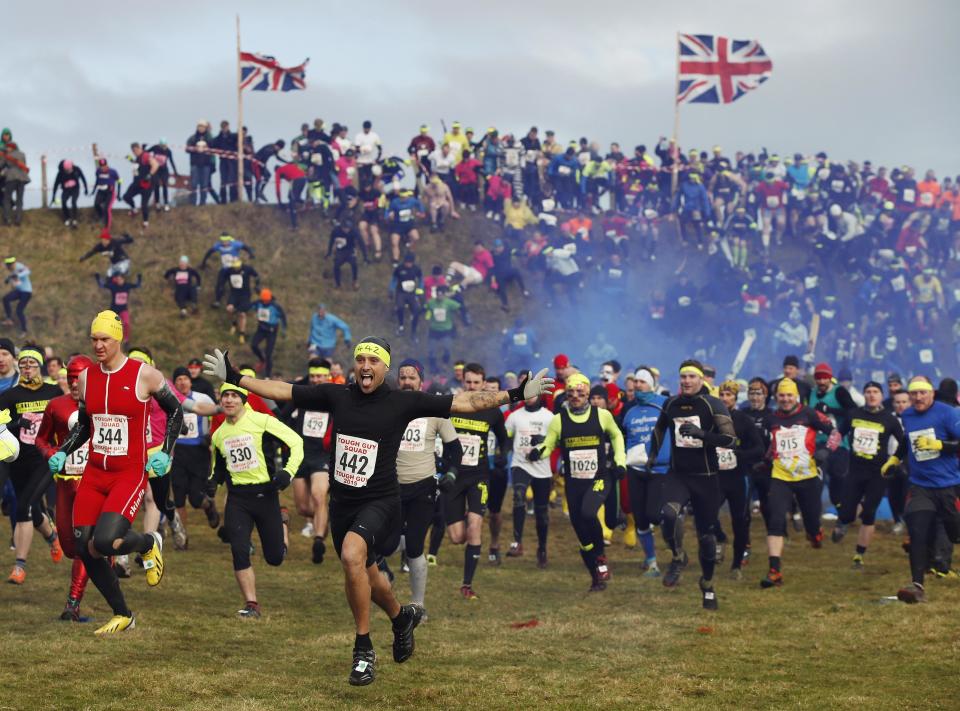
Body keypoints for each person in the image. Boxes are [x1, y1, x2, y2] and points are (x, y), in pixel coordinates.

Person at [202, 338, 553, 685]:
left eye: (374, 360)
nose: (366, 365)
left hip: (381, 501)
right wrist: (235, 377)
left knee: (352, 557)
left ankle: (363, 650)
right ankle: (401, 620)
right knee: (370, 577)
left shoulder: (403, 401)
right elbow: (282, 389)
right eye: (361, 359)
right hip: (343, 503)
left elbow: (463, 402)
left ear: (385, 368)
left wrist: (515, 394)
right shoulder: (337, 395)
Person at [48, 311, 183, 634]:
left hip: (128, 473)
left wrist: (165, 452)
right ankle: (123, 613)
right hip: (94, 473)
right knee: (84, 547)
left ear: (118, 339)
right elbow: (84, 425)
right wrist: (63, 450)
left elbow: (175, 410)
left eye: (104, 339)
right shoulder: (86, 378)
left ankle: (149, 541)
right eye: (94, 339)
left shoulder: (145, 375)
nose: (98, 345)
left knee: (106, 541)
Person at [646, 360, 737, 610]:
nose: (686, 381)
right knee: (668, 514)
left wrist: (702, 435)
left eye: (691, 377)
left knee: (706, 538)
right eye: (683, 377)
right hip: (679, 475)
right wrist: (652, 455)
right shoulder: (672, 403)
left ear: (701, 380)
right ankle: (678, 557)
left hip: (706, 478)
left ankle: (707, 584)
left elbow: (730, 440)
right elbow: (659, 429)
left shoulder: (712, 404)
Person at [211, 382, 302, 617]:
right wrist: (212, 482)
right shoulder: (219, 434)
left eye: (234, 395)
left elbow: (296, 443)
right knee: (239, 549)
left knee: (275, 558)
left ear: (244, 399)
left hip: (266, 495)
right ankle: (251, 604)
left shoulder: (262, 421)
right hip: (238, 498)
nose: (229, 400)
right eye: (225, 396)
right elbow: (218, 468)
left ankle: (282, 523)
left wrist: (287, 472)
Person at [529, 373, 626, 591]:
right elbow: (549, 444)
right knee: (582, 537)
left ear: (588, 394)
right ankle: (596, 578)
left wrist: (620, 462)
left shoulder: (602, 416)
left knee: (589, 513)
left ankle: (601, 557)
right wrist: (538, 452)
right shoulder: (559, 419)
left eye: (580, 392)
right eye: (571, 392)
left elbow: (617, 436)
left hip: (599, 479)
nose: (575, 396)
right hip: (574, 483)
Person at [395, 359, 461, 613]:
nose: (407, 382)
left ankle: (418, 604)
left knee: (414, 545)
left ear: (420, 381)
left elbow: (455, 448)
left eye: (412, 377)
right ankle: (385, 577)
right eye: (403, 377)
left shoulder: (434, 410)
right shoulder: (391, 406)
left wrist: (452, 474)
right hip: (392, 486)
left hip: (423, 486)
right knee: (387, 543)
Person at [759, 378, 838, 588]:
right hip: (781, 477)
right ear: (776, 398)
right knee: (775, 520)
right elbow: (772, 445)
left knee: (811, 523)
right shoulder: (771, 419)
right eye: (781, 396)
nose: (785, 399)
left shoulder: (809, 414)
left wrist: (826, 451)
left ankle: (815, 533)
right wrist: (765, 461)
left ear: (796, 396)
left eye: (789, 395)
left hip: (807, 477)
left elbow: (835, 433)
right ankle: (774, 570)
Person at [35, 355, 95, 620]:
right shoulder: (56, 405)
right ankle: (106, 554)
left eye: (78, 377)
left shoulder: (101, 405)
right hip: (65, 483)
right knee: (69, 547)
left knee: (83, 545)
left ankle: (73, 602)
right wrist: (51, 455)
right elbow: (41, 439)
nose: (73, 383)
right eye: (70, 377)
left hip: (92, 484)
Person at [0, 346, 65, 584]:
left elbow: (65, 419)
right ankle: (52, 536)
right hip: (18, 460)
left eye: (32, 364)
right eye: (24, 364)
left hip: (44, 459)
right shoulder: (9, 396)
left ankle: (19, 567)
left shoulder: (53, 391)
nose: (28, 368)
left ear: (41, 366)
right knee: (31, 510)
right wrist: (17, 423)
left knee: (24, 507)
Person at [444, 363, 507, 597]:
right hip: (454, 477)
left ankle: (466, 585)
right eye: (468, 382)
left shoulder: (491, 409)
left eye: (476, 383)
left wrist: (502, 456)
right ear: (463, 382)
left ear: (483, 384)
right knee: (457, 537)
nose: (471, 386)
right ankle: (461, 514)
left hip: (479, 476)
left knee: (475, 526)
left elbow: (503, 438)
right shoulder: (452, 405)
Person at [896, 377, 960, 603]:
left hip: (948, 487)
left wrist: (940, 445)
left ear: (931, 393)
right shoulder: (908, 415)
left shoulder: (949, 413)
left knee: (955, 533)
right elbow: (907, 439)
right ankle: (917, 586)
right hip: (920, 485)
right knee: (917, 532)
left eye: (922, 393)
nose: (918, 398)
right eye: (914, 394)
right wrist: (895, 459)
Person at [831, 381, 905, 569]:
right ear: (864, 395)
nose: (872, 395)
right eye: (868, 391)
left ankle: (859, 556)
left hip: (878, 473)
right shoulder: (853, 414)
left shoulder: (889, 419)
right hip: (855, 471)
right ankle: (844, 521)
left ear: (881, 396)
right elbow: (838, 433)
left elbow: (903, 443)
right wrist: (828, 450)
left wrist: (896, 461)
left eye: (875, 392)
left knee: (869, 511)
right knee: (847, 512)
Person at [279, 358, 333, 557]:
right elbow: (282, 418)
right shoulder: (301, 396)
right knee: (302, 508)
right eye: (314, 376)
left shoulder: (334, 398)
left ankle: (318, 541)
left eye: (320, 376)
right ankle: (324, 518)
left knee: (319, 495)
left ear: (327, 376)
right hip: (300, 455)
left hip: (323, 456)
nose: (317, 380)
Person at [622, 367, 670, 576]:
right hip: (635, 469)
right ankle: (652, 563)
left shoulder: (664, 404)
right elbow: (622, 436)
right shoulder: (629, 411)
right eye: (636, 382)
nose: (638, 385)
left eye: (642, 382)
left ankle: (674, 542)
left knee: (654, 515)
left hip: (660, 469)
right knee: (640, 518)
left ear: (651, 384)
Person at [715, 381, 765, 578]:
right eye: (722, 394)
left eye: (729, 395)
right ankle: (720, 538)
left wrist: (739, 454)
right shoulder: (711, 419)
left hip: (738, 478)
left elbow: (759, 449)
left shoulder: (743, 420)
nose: (725, 398)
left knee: (740, 521)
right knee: (707, 514)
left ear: (735, 398)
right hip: (716, 477)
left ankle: (736, 565)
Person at [169, 367, 218, 550]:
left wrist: (211, 435)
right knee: (179, 497)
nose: (182, 382)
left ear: (191, 381)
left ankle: (208, 505)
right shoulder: (169, 399)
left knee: (196, 498)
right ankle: (182, 537)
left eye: (185, 379)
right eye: (178, 379)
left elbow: (217, 415)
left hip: (199, 452)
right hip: (178, 453)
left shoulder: (202, 399)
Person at [504, 389, 553, 566]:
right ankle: (517, 542)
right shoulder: (514, 416)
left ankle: (542, 548)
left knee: (541, 512)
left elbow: (555, 440)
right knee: (518, 496)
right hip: (520, 463)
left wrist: (542, 440)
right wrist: (502, 453)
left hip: (542, 468)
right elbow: (507, 438)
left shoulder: (549, 417)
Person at [200, 232, 255, 308]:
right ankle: (217, 301)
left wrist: (251, 253)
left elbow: (245, 247)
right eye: (222, 241)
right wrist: (203, 262)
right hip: (225, 269)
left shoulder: (235, 244)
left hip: (235, 269)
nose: (224, 243)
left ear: (229, 240)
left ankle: (242, 302)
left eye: (226, 241)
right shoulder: (218, 245)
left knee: (237, 285)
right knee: (220, 283)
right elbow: (209, 252)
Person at [248, 289, 286, 377]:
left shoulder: (275, 306)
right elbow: (248, 306)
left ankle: (267, 375)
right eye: (263, 300)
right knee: (253, 345)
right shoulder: (258, 303)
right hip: (261, 328)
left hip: (271, 331)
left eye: (266, 301)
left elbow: (283, 317)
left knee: (268, 353)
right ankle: (262, 359)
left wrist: (284, 330)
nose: (264, 302)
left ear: (270, 299)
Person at [94, 273, 141, 342]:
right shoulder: (113, 286)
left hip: (123, 309)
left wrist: (139, 278)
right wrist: (98, 278)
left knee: (126, 324)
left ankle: (126, 340)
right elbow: (102, 285)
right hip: (114, 309)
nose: (119, 281)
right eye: (117, 279)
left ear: (123, 279)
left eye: (120, 279)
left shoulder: (127, 286)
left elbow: (137, 286)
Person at [327, 216, 369, 290]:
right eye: (345, 228)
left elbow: (361, 243)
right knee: (336, 265)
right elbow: (331, 241)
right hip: (340, 250)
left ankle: (355, 280)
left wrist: (365, 257)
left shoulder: (354, 231)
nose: (346, 230)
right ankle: (338, 284)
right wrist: (329, 252)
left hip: (350, 250)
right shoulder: (336, 230)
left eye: (348, 228)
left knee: (354, 264)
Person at [122, 143, 158, 228]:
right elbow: (136, 167)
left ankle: (146, 222)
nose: (135, 152)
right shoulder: (137, 158)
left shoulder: (145, 155)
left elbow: (155, 165)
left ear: (139, 148)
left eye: (136, 150)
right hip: (137, 183)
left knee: (144, 204)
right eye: (133, 151)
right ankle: (134, 209)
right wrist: (130, 159)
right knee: (126, 196)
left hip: (147, 184)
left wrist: (150, 175)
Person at [224, 257, 260, 344]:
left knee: (242, 314)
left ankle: (242, 334)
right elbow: (223, 278)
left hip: (245, 295)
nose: (236, 268)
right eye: (234, 266)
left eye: (237, 266)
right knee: (229, 309)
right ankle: (234, 324)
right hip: (234, 294)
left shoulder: (247, 268)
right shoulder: (229, 270)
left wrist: (257, 286)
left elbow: (256, 275)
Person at [386, 190, 425, 266]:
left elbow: (419, 204)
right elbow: (388, 211)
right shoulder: (394, 202)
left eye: (405, 197)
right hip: (397, 225)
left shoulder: (412, 200)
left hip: (409, 224)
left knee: (416, 237)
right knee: (394, 242)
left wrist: (421, 212)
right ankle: (395, 260)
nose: (404, 199)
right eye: (402, 197)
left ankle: (410, 250)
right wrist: (389, 216)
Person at [392, 253, 423, 339]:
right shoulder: (399, 269)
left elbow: (421, 279)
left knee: (417, 310)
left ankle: (413, 331)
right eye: (406, 262)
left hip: (411, 293)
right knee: (400, 307)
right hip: (401, 292)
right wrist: (391, 289)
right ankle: (401, 325)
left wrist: (420, 289)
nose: (408, 264)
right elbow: (394, 279)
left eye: (410, 263)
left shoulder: (416, 269)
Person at [51, 159, 88, 228]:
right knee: (63, 201)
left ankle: (75, 219)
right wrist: (53, 196)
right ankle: (67, 218)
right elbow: (55, 185)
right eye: (66, 171)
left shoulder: (77, 169)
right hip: (66, 190)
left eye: (69, 170)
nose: (68, 172)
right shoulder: (60, 173)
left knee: (74, 201)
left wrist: (86, 188)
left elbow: (83, 178)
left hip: (75, 189)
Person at [1, 138, 30, 226]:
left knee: (6, 198)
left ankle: (7, 219)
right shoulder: (22, 154)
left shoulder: (7, 155)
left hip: (11, 177)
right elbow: (24, 165)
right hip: (22, 178)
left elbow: (1, 164)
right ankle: (18, 219)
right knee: (19, 199)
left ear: (11, 148)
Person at [3, 256, 32, 334]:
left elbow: (28, 271)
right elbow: (12, 278)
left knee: (19, 311)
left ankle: (24, 330)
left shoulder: (19, 266)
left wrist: (17, 275)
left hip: (26, 292)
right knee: (5, 299)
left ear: (14, 263)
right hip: (19, 291)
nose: (8, 268)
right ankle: (9, 319)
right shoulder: (11, 270)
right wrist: (7, 279)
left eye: (10, 266)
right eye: (7, 266)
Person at [92, 158, 121, 229]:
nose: (103, 168)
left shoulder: (113, 172)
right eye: (101, 166)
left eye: (104, 166)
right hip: (101, 191)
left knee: (107, 209)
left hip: (110, 192)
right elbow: (97, 181)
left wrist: (119, 194)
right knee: (96, 205)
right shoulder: (98, 171)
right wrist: (93, 190)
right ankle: (102, 216)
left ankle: (107, 227)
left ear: (107, 165)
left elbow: (119, 181)